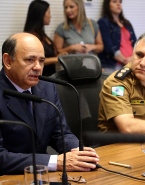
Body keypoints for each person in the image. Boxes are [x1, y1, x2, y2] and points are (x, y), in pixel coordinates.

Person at [0, 33, 99, 175]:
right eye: (30, 60)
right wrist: (55, 162)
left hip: (43, 177)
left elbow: (61, 134)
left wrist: (80, 153)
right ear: (8, 61)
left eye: (41, 61)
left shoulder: (47, 88)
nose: (38, 67)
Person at [24, 0, 67, 76]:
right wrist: (58, 59)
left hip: (51, 76)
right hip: (40, 78)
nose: (50, 16)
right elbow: (35, 60)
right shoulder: (31, 37)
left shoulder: (42, 34)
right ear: (40, 14)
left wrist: (59, 55)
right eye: (48, 13)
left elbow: (48, 55)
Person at [98, 0, 137, 73]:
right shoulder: (103, 22)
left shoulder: (127, 23)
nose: (118, 4)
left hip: (131, 62)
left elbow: (136, 43)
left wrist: (133, 58)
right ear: (107, 5)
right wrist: (124, 60)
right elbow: (109, 47)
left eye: (120, 2)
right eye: (114, 1)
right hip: (114, 65)